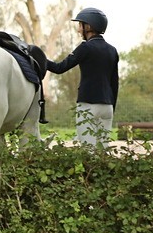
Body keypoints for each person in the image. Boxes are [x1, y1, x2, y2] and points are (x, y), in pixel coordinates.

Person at [46, 8, 120, 147]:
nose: (79, 30)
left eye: (80, 25)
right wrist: (111, 107)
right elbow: (114, 83)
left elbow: (59, 68)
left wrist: (41, 60)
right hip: (108, 107)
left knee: (88, 151)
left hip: (88, 105)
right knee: (103, 151)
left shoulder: (85, 48)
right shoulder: (112, 50)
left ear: (88, 27)